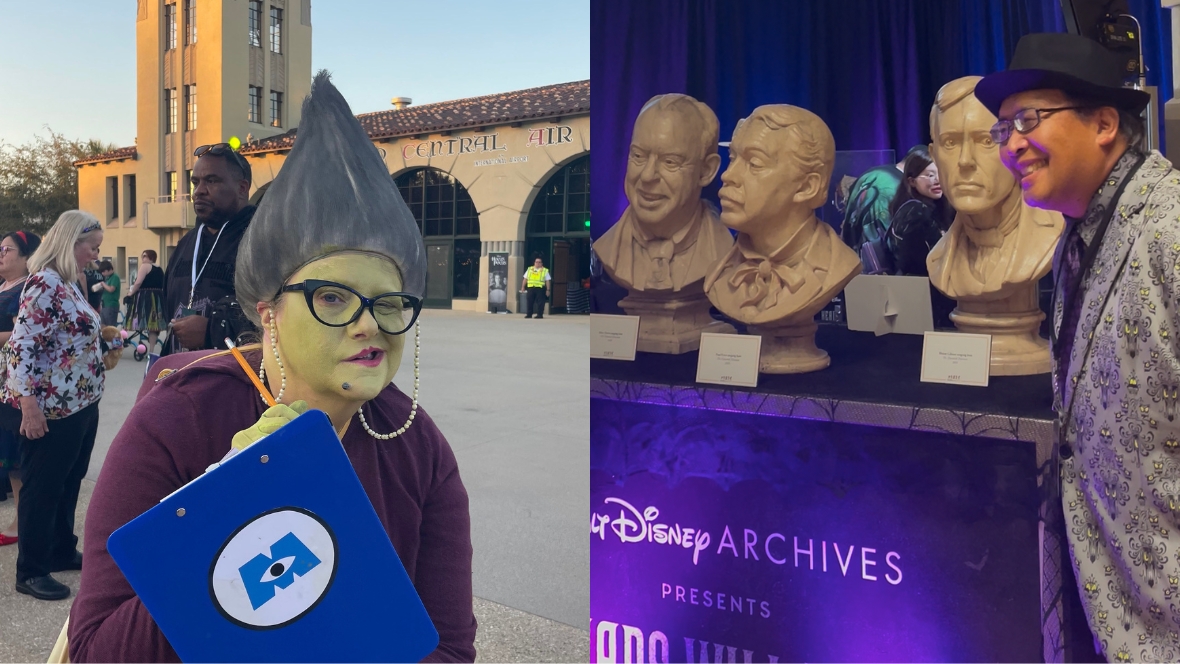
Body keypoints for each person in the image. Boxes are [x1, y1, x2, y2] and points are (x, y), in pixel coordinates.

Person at [69, 71, 475, 662]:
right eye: (332, 298)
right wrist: (233, 501)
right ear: (269, 313)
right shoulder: (179, 420)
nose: (371, 325)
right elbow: (96, 652)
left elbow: (447, 649)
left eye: (390, 304)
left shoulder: (417, 443)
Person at [976, 32, 1167, 659]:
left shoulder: (1167, 230)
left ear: (1105, 123)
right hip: (1100, 601)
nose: (1011, 147)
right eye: (1004, 130)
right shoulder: (1074, 240)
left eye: (1028, 120)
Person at [0, 212, 104, 601]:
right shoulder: (43, 283)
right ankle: (31, 569)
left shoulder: (68, 281)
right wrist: (29, 406)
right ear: (70, 241)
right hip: (51, 408)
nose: (95, 255)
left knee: (69, 479)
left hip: (80, 403)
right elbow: (22, 348)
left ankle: (60, 548)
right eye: (92, 247)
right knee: (43, 488)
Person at [593, 93, 733, 293]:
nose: (648, 176)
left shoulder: (725, 250)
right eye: (638, 156)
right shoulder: (606, 250)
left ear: (707, 170)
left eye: (670, 161)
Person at [161, 142, 256, 355]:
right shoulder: (186, 244)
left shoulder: (263, 243)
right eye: (196, 182)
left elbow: (278, 318)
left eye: (211, 181)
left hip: (237, 380)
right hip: (182, 375)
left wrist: (212, 331)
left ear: (242, 188)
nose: (199, 192)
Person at [0, 230, 41, 547]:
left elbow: (21, 336)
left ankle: (24, 522)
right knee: (7, 454)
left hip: (13, 383)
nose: (1, 253)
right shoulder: (3, 287)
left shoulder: (28, 290)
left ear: (27, 257)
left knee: (18, 453)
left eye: (8, 249)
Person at [885, 146, 953, 276]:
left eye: (941, 173)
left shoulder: (939, 208)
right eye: (930, 175)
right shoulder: (914, 213)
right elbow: (916, 265)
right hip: (922, 290)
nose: (938, 180)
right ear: (912, 181)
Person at [124, 250, 164, 355]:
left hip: (145, 297)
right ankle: (151, 351)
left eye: (145, 256)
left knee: (139, 320)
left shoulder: (145, 266)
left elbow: (138, 282)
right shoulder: (159, 269)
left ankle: (126, 341)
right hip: (157, 298)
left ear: (150, 257)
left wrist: (131, 293)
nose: (143, 258)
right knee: (153, 326)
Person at [97, 260, 120, 327]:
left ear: (109, 269)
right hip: (104, 304)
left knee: (110, 326)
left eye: (103, 271)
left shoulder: (115, 277)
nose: (102, 273)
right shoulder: (108, 278)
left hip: (111, 305)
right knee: (103, 325)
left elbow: (111, 289)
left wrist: (103, 284)